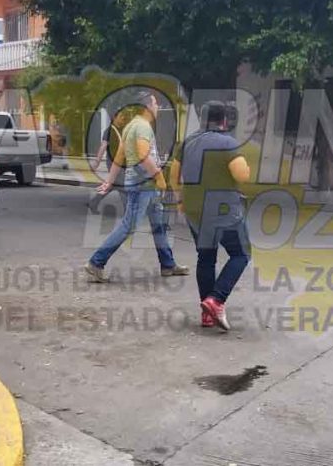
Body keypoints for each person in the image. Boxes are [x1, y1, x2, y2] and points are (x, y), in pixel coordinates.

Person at [85, 94, 189, 282]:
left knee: (159, 225)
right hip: (144, 185)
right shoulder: (142, 126)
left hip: (145, 185)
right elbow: (142, 155)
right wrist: (159, 177)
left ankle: (168, 265)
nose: (157, 106)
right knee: (128, 226)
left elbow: (118, 156)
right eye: (155, 103)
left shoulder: (131, 126)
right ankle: (96, 262)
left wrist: (109, 180)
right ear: (148, 106)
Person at [170, 102, 251, 330]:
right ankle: (216, 299)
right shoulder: (227, 142)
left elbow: (174, 175)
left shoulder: (186, 143)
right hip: (223, 212)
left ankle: (207, 313)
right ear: (224, 121)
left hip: (195, 210)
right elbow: (241, 175)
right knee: (241, 253)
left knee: (206, 257)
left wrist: (179, 200)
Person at [88, 109, 130, 213]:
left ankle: (93, 202)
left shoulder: (119, 129)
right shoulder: (109, 131)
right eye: (120, 116)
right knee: (122, 186)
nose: (123, 118)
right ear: (114, 118)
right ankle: (127, 213)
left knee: (111, 185)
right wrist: (97, 162)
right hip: (113, 163)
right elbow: (103, 146)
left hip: (120, 163)